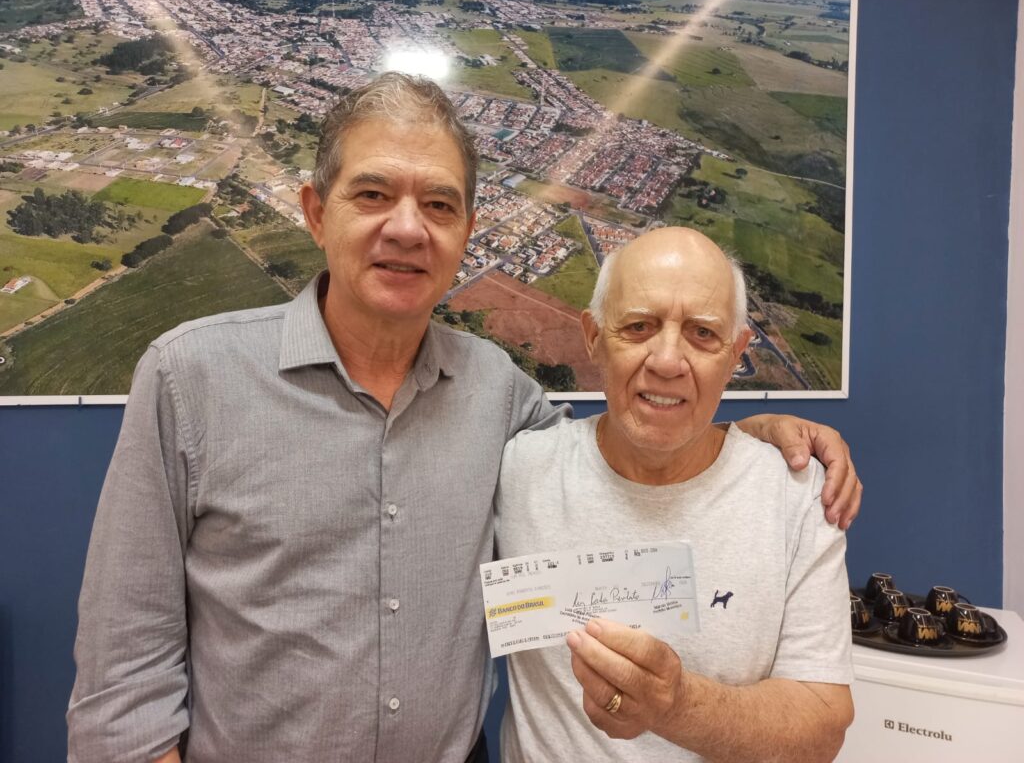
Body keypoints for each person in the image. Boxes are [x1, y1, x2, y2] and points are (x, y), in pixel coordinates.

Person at [68, 74, 860, 763]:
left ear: (466, 233)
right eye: (373, 194)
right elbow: (122, 678)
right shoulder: (190, 379)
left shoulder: (501, 397)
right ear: (314, 212)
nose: (407, 227)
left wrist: (743, 437)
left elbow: (633, 442)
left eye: (439, 204)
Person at [496, 227, 854, 762]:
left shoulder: (798, 498)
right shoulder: (518, 469)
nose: (667, 361)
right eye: (638, 326)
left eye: (703, 334)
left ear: (736, 355)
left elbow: (821, 729)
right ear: (593, 337)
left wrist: (676, 705)